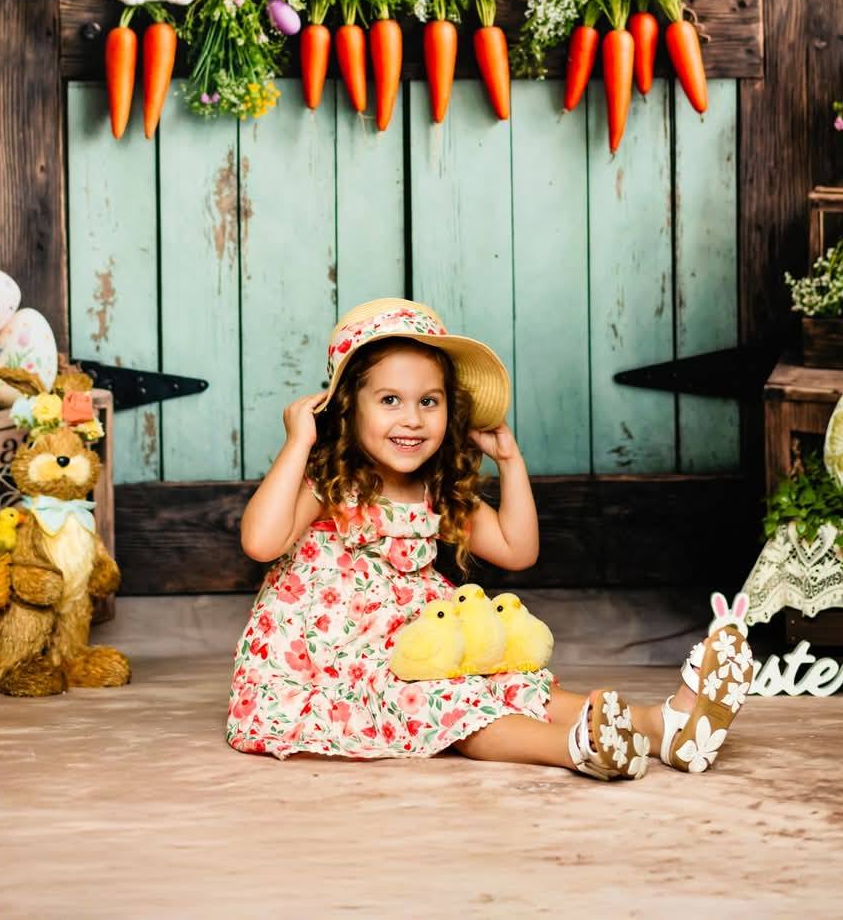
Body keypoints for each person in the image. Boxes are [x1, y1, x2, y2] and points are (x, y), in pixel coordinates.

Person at [227, 298, 753, 777]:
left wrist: (509, 460)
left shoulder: (436, 490)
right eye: (390, 400)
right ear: (347, 408)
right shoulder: (332, 486)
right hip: (338, 661)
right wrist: (300, 440)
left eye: (429, 402)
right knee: (451, 705)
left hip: (416, 643)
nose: (412, 419)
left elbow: (517, 550)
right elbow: (262, 541)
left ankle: (663, 725)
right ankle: (577, 747)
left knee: (509, 686)